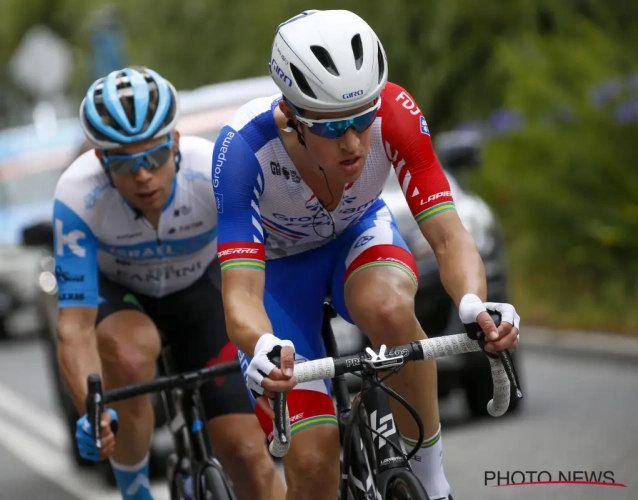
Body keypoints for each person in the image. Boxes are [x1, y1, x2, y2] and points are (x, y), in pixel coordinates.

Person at [212, 10, 520, 500]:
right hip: (280, 277)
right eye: (334, 128)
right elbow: (240, 295)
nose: (354, 143)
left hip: (358, 239)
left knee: (391, 308)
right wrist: (262, 343)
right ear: (292, 114)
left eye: (362, 119)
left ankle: (431, 483)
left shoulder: (395, 111)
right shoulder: (244, 150)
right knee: (314, 465)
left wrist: (474, 305)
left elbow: (448, 237)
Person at [53, 66, 285, 500]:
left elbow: (260, 269)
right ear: (102, 161)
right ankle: (136, 491)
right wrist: (92, 408)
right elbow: (75, 326)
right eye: (125, 162)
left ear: (175, 143)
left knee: (250, 456)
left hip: (200, 293)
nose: (143, 174)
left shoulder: (209, 171)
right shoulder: (76, 195)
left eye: (155, 156)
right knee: (129, 351)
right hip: (124, 301)